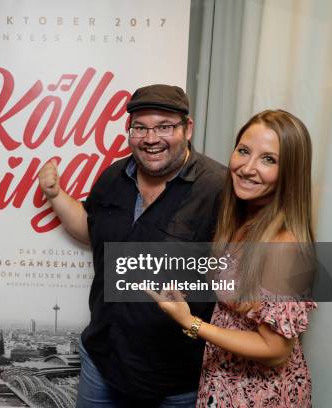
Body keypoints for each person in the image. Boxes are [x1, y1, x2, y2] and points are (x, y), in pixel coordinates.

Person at [38, 84, 226, 407]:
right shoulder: (114, 176)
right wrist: (55, 195)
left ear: (188, 128)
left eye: (165, 126)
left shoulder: (218, 188)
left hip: (175, 379)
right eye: (140, 127)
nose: (151, 138)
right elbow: (90, 228)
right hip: (103, 360)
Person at [149, 109, 317, 407]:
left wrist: (191, 322)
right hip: (224, 382)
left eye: (269, 159)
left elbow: (276, 349)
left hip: (260, 395)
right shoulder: (244, 219)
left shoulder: (283, 245)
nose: (247, 167)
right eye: (243, 151)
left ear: (290, 172)